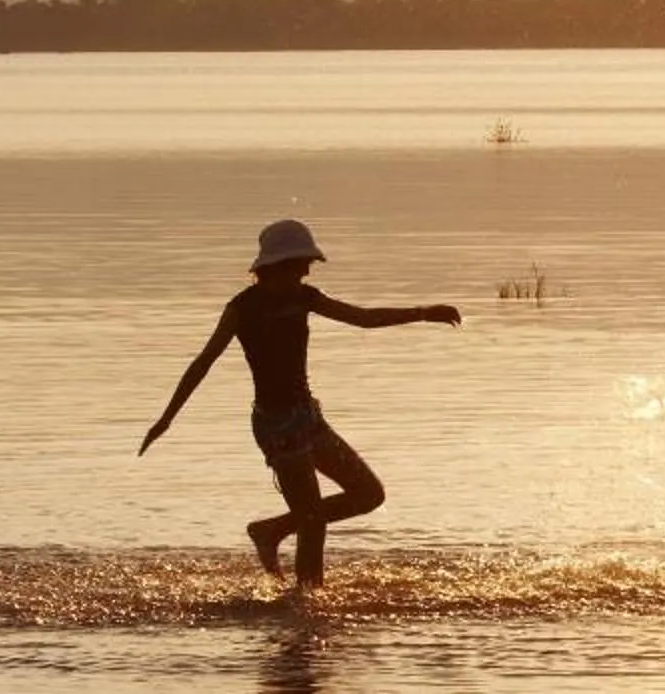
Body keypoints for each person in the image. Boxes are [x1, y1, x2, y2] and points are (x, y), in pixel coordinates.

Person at [138, 219, 461, 592]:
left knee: (368, 494)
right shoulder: (243, 308)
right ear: (278, 265)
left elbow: (363, 319)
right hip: (276, 427)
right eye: (301, 263)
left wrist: (422, 312)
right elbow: (203, 361)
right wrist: (166, 419)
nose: (308, 270)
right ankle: (309, 601)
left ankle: (272, 530)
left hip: (308, 417)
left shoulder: (304, 297)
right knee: (312, 522)